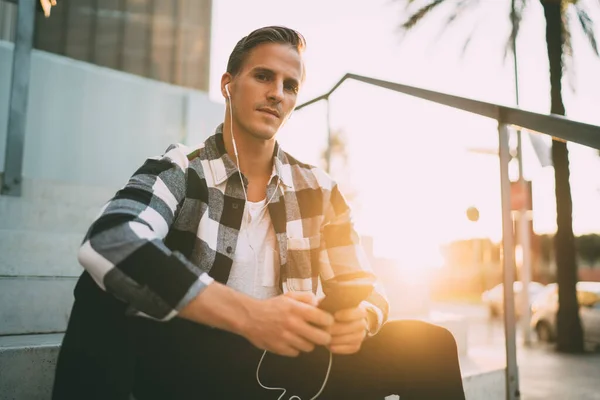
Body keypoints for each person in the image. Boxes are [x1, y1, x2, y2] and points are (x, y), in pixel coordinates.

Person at [52, 26, 466, 400]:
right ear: (229, 85)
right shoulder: (181, 168)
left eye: (290, 85)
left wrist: (361, 316)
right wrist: (250, 316)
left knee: (430, 345)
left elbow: (365, 284)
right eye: (263, 76)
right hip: (195, 369)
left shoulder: (319, 189)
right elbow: (110, 238)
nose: (277, 94)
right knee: (98, 290)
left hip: (293, 370)